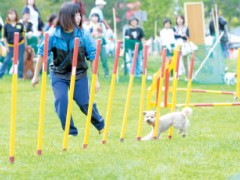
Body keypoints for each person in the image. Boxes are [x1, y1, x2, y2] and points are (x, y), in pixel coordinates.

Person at [31, 2, 105, 136]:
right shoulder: (52, 34)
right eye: (75, 15)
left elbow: (93, 56)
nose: (79, 18)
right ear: (66, 17)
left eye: (79, 15)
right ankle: (71, 132)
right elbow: (42, 54)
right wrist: (36, 76)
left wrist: (96, 80)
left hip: (79, 73)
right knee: (61, 102)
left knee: (84, 103)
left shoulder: (83, 34)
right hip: (59, 74)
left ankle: (101, 125)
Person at [0, 9, 25, 79]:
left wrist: (25, 45)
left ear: (16, 15)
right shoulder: (6, 26)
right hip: (10, 46)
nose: (11, 15)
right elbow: (4, 37)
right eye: (10, 14)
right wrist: (6, 46)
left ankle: (20, 76)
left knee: (20, 60)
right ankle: (0, 75)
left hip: (20, 44)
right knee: (6, 60)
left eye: (13, 14)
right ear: (8, 15)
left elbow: (23, 35)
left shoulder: (20, 24)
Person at [88, 13, 109, 78]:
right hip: (93, 44)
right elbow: (87, 34)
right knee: (94, 60)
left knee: (104, 59)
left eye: (96, 17)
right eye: (93, 17)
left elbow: (105, 33)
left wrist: (100, 34)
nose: (95, 18)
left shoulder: (101, 25)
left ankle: (106, 73)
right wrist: (92, 35)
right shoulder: (89, 25)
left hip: (101, 44)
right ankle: (96, 74)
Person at [173, 15, 190, 80]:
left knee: (185, 60)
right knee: (177, 60)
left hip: (184, 44)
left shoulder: (186, 27)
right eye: (178, 19)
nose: (179, 20)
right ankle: (178, 75)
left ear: (183, 20)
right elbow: (175, 36)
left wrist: (181, 36)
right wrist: (182, 35)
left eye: (181, 19)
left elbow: (187, 36)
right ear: (176, 20)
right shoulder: (174, 28)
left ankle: (187, 76)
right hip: (177, 44)